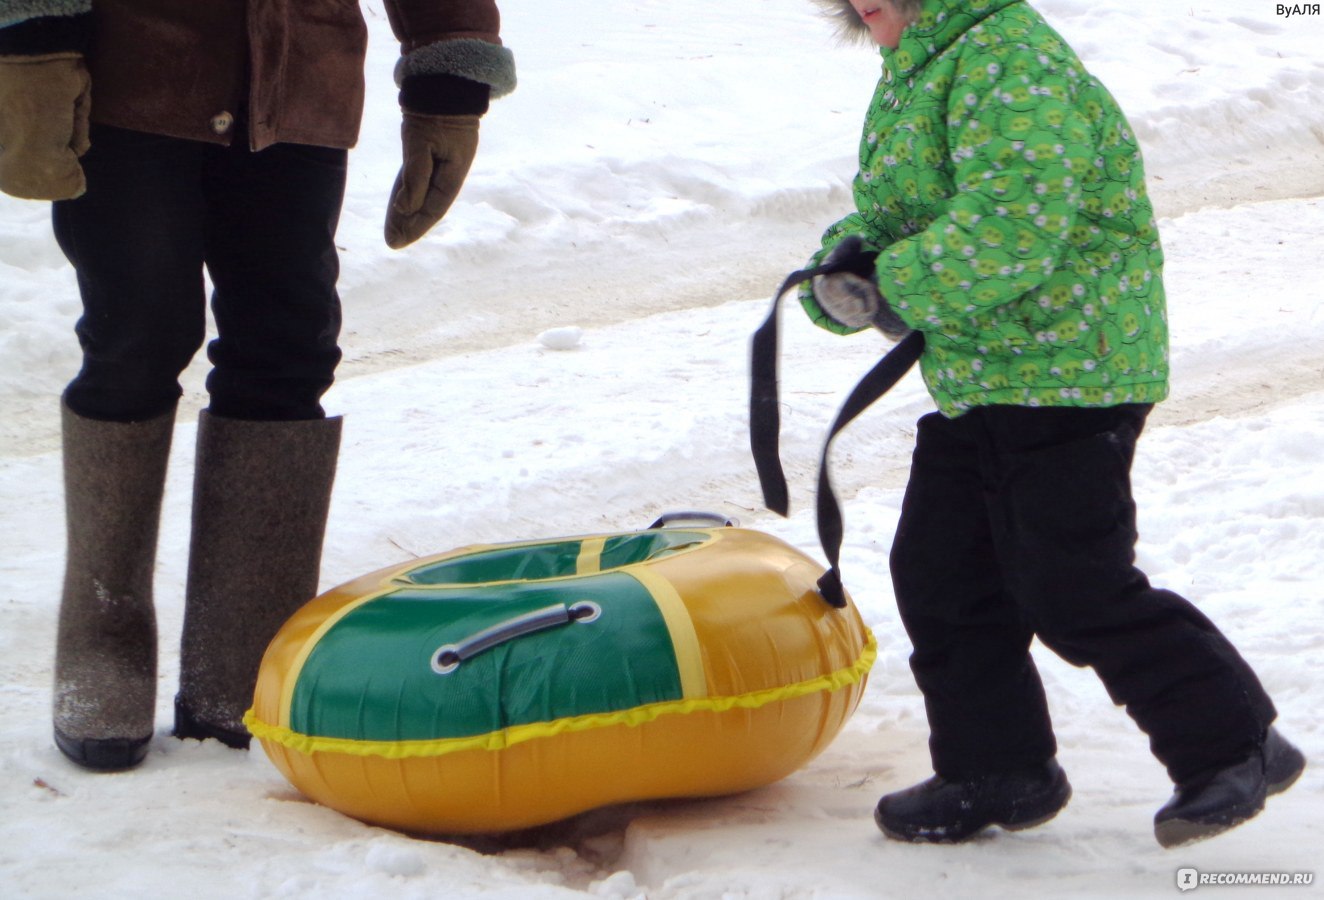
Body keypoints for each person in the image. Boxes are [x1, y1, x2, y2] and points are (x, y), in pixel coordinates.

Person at [801, 0, 1303, 848]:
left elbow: (1014, 223)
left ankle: (1234, 742)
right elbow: (904, 211)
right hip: (988, 374)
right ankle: (997, 768)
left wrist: (895, 285)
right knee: (942, 573)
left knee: (1070, 580)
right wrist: (845, 266)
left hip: (1073, 368)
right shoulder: (926, 67)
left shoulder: (1008, 58)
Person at [0, 0, 515, 771]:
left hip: (301, 90)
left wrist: (449, 64)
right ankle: (103, 642)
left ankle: (248, 651)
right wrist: (31, 39)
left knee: (286, 349)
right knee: (137, 335)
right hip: (131, 80)